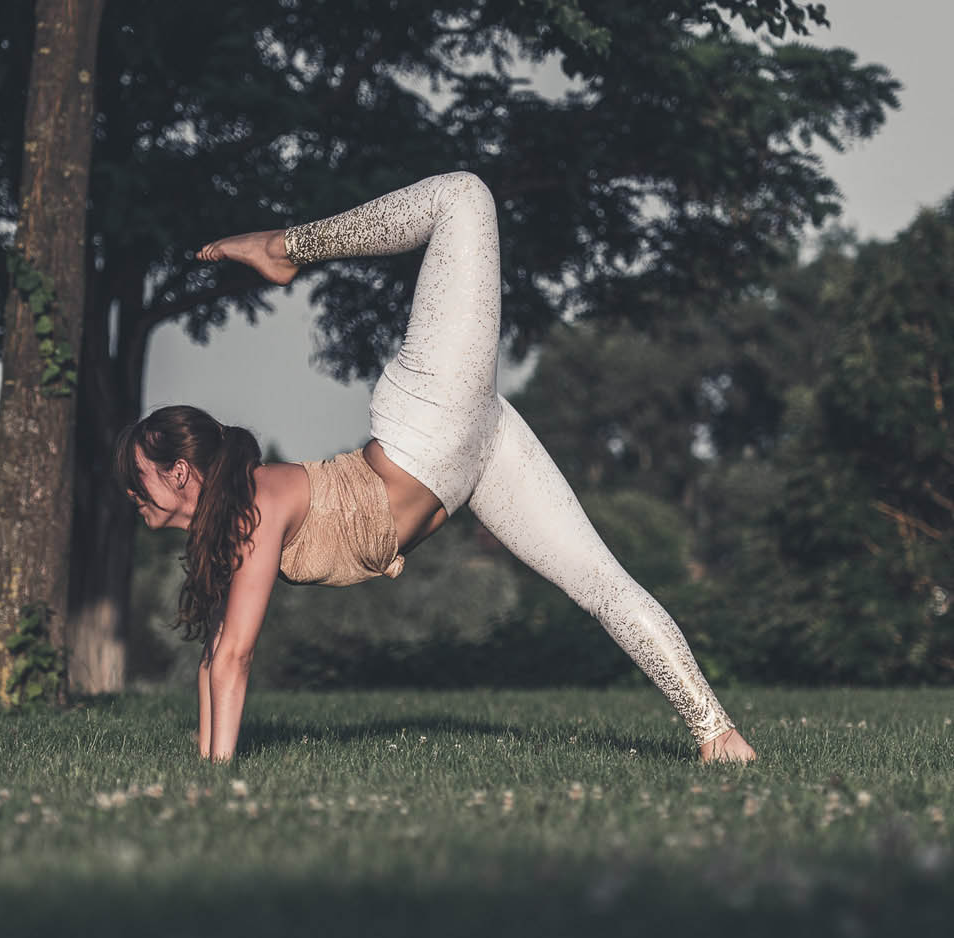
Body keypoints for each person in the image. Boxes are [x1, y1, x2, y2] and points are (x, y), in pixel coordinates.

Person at [115, 172, 757, 765]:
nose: (127, 491)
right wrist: (206, 765)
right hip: (467, 456)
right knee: (601, 585)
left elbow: (235, 657)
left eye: (136, 474)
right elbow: (216, 654)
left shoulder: (256, 505)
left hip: (426, 425)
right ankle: (719, 738)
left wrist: (217, 768)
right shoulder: (238, 523)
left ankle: (286, 248)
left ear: (178, 472)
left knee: (464, 197)